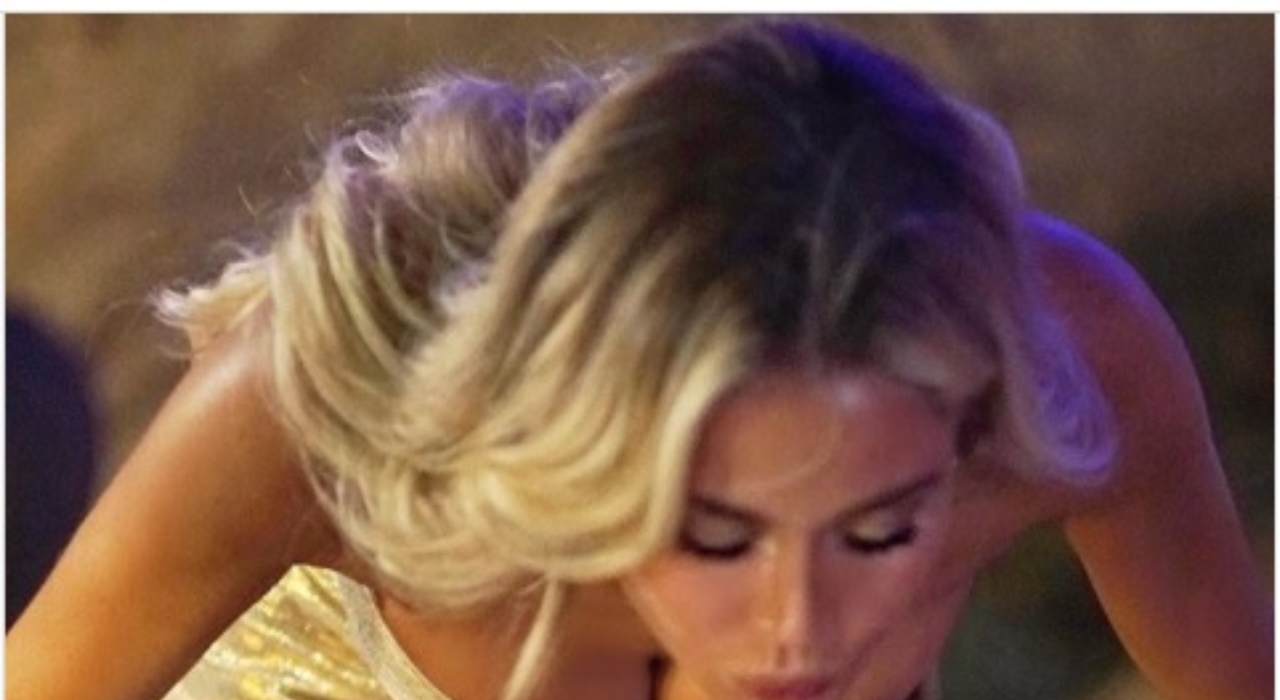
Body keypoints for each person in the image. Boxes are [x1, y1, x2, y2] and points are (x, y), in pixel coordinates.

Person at [7, 19, 1270, 700]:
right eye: (714, 534)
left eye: (881, 531)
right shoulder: (318, 408)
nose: (796, 633)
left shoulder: (1070, 365)